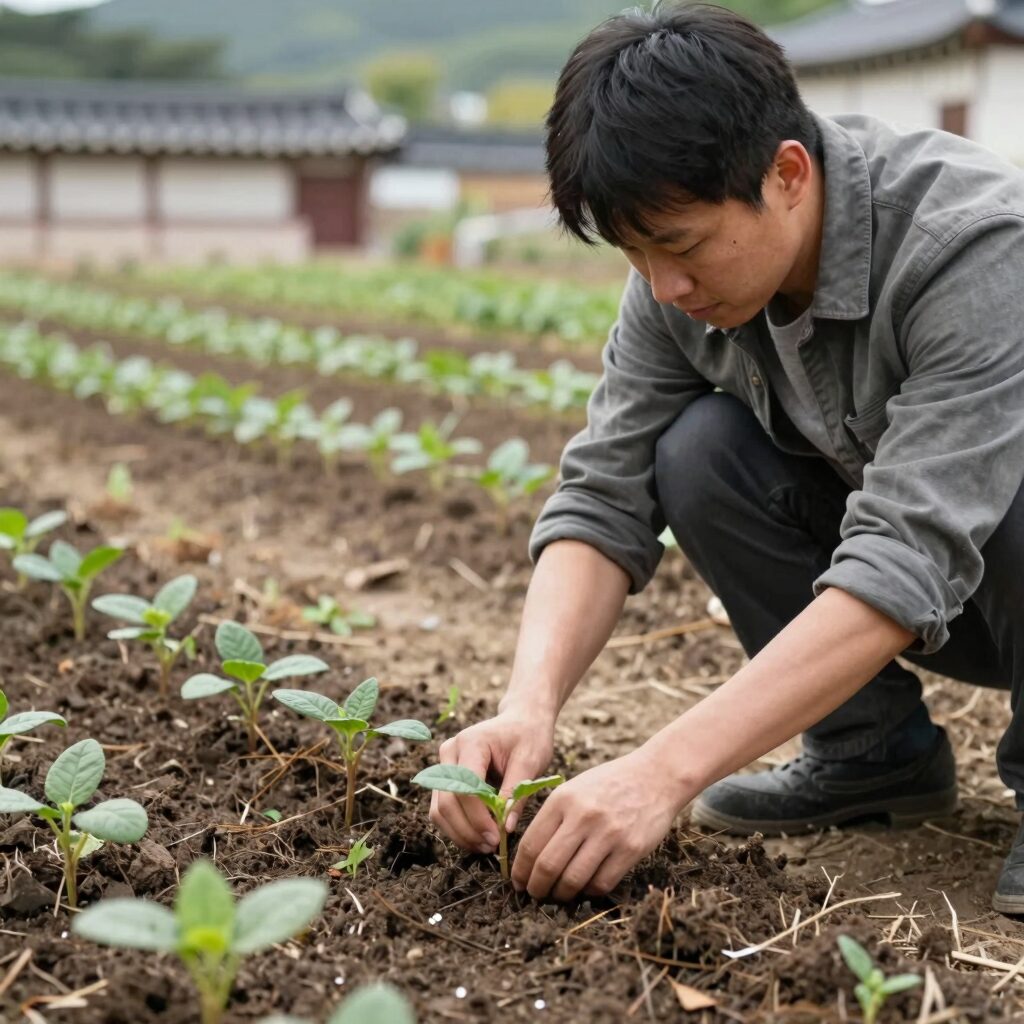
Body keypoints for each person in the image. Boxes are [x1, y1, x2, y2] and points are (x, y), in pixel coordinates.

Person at [429, 1, 1024, 914]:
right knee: (698, 449)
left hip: (979, 558)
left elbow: (909, 553)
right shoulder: (677, 290)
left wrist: (661, 773)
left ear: (788, 174)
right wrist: (528, 706)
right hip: (966, 601)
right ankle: (870, 756)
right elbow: (603, 493)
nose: (664, 285)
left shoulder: (976, 250)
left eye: (680, 246)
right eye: (634, 254)